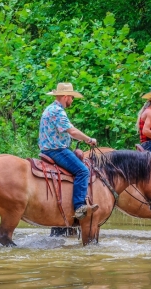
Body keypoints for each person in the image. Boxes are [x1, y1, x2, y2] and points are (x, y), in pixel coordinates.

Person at [38, 82, 98, 220]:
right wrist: (89, 140)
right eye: (72, 97)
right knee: (83, 171)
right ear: (65, 97)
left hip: (50, 148)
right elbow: (72, 131)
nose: (72, 100)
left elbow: (69, 131)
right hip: (56, 150)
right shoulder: (57, 111)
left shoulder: (51, 109)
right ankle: (79, 207)